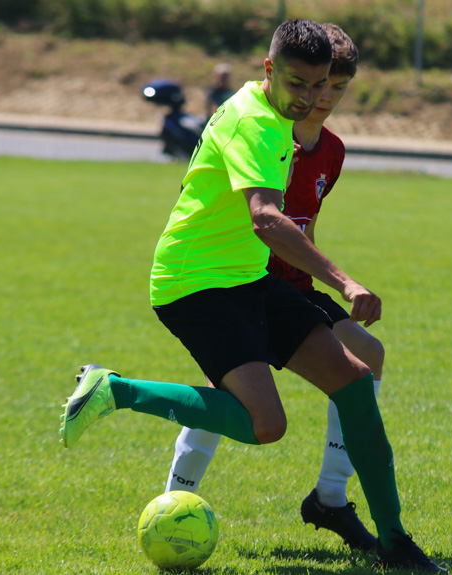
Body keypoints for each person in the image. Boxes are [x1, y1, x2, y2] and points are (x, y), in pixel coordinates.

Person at [59, 19, 444, 573]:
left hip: (249, 277)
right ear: (269, 70)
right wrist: (344, 281)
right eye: (298, 84)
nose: (311, 99)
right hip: (194, 283)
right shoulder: (255, 124)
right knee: (265, 425)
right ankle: (115, 389)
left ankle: (394, 541)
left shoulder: (271, 113)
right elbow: (266, 218)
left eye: (321, 86)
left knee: (357, 379)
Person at [164, 23, 387, 554]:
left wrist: (316, 279)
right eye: (315, 85)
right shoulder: (266, 129)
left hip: (288, 283)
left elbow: (303, 224)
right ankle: (174, 501)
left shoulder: (330, 150)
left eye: (335, 88)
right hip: (241, 279)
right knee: (238, 403)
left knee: (366, 359)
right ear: (278, 75)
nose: (322, 98)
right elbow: (263, 219)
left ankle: (331, 496)